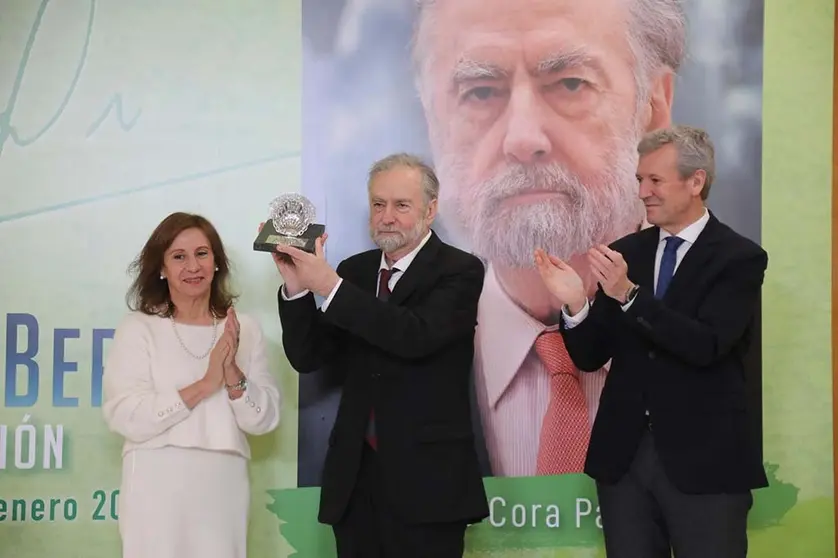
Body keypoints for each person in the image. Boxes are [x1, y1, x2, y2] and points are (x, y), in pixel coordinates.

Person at [408, 0, 686, 477]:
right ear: (430, 118)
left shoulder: (727, 326)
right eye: (479, 92)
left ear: (654, 107)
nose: (522, 137)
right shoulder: (384, 357)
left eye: (571, 84)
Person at [534, 125, 768, 558]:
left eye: (655, 180)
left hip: (706, 464)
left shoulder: (739, 258)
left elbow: (707, 346)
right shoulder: (628, 252)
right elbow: (590, 356)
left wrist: (629, 295)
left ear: (696, 182)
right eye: (640, 179)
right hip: (624, 461)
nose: (643, 191)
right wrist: (574, 307)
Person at [274, 153, 489, 557]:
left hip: (429, 486)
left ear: (430, 209)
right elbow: (309, 356)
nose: (386, 216)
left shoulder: (460, 270)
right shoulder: (355, 271)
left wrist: (330, 287)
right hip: (355, 482)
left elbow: (414, 336)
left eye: (401, 205)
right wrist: (298, 289)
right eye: (378, 204)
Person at [102, 212, 281, 558]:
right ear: (162, 268)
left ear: (217, 262)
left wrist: (231, 375)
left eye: (202, 253)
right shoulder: (138, 327)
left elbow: (263, 419)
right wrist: (204, 384)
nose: (193, 266)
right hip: (154, 477)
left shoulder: (243, 328)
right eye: (178, 256)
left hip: (223, 480)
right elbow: (124, 414)